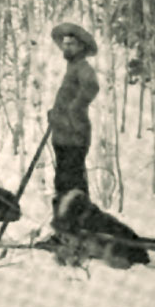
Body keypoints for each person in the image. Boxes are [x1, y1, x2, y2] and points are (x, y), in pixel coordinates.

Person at [47, 23, 100, 203]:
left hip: (74, 136)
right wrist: (56, 112)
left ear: (81, 47)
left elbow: (91, 87)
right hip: (62, 135)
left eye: (71, 44)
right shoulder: (72, 67)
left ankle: (78, 224)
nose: (66, 47)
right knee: (63, 182)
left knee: (72, 183)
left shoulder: (83, 67)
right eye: (65, 43)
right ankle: (66, 224)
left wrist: (72, 110)